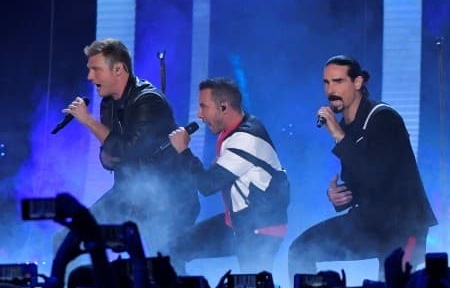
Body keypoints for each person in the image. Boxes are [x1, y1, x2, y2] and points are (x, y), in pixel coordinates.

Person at [287, 55, 437, 282]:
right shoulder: (348, 124)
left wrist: (338, 135)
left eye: (338, 81)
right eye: (326, 83)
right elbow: (364, 180)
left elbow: (379, 176)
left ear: (357, 83)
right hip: (370, 220)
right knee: (301, 249)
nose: (331, 90)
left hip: (404, 224)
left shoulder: (383, 117)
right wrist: (340, 196)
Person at [61, 38, 199, 251]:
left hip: (169, 198)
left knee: (162, 265)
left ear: (118, 69)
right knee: (67, 240)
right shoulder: (109, 103)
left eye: (96, 70)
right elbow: (110, 157)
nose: (90, 77)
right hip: (129, 193)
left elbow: (128, 149)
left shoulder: (148, 101)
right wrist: (113, 153)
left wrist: (89, 121)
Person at [167, 77, 289, 273]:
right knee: (175, 250)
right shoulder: (237, 129)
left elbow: (207, 185)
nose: (199, 115)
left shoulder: (245, 139)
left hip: (259, 229)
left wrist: (184, 152)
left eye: (203, 107)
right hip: (237, 224)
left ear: (223, 107)